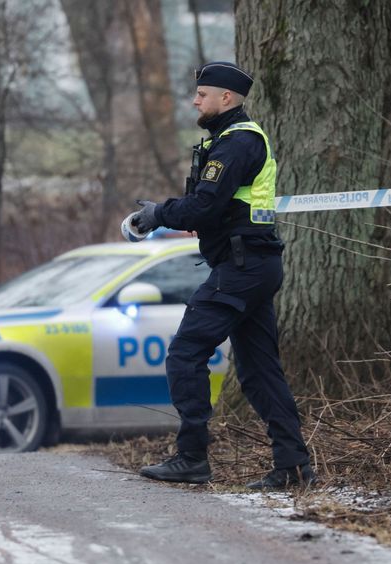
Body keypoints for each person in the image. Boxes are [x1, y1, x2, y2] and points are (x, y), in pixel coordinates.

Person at [130, 61, 314, 490]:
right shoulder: (230, 140)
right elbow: (217, 208)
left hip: (242, 267)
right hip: (250, 263)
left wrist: (158, 213)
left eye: (202, 95)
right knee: (259, 371)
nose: (195, 101)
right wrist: (186, 214)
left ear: (225, 98)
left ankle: (192, 457)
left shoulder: (238, 143)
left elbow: (205, 206)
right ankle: (293, 467)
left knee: (185, 353)